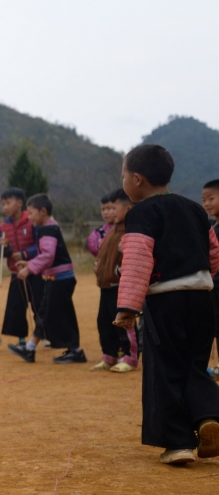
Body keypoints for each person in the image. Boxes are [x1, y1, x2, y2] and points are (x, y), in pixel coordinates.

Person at [114, 144, 219, 464]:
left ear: (137, 179)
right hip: (203, 297)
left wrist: (128, 307)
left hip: (166, 301)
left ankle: (178, 443)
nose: (123, 182)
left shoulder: (142, 214)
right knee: (194, 365)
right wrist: (202, 280)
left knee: (165, 368)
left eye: (123, 176)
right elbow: (213, 252)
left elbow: (137, 261)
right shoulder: (195, 209)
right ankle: (208, 417)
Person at [8, 194, 87, 364]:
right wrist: (30, 262)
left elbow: (48, 255)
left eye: (31, 213)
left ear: (43, 211)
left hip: (60, 279)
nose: (29, 218)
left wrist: (29, 269)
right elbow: (47, 255)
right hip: (55, 278)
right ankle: (30, 348)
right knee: (44, 312)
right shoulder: (49, 228)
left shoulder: (48, 229)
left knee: (60, 315)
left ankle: (76, 351)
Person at [92, 189, 137, 372]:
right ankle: (109, 355)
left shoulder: (130, 231)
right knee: (104, 322)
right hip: (105, 286)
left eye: (114, 207)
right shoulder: (112, 230)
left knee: (124, 322)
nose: (110, 212)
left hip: (120, 286)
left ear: (127, 208)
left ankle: (130, 356)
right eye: (107, 208)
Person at [0, 187, 44, 346]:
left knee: (38, 304)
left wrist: (24, 255)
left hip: (35, 270)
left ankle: (43, 335)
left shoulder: (32, 221)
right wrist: (5, 247)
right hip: (16, 272)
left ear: (20, 203)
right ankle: (21, 337)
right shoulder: (2, 227)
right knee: (16, 306)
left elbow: (40, 243)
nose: (5, 207)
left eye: (8, 203)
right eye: (3, 204)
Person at [204, 179, 219, 377]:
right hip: (213, 285)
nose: (206, 203)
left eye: (211, 198)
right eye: (203, 199)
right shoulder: (213, 227)